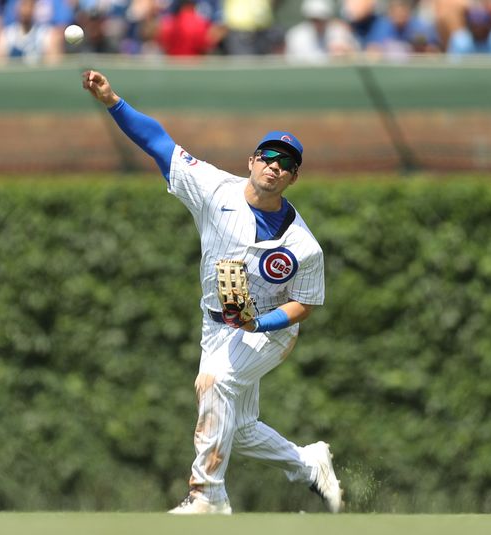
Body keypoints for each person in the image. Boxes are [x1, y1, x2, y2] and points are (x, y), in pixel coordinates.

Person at [81, 70, 343, 515]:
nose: (274, 166)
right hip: (216, 324)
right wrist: (112, 101)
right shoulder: (213, 189)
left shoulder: (303, 245)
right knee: (236, 427)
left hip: (268, 330)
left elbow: (306, 304)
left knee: (215, 382)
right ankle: (307, 464)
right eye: (268, 157)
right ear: (251, 161)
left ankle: (207, 495)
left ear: (292, 178)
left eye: (285, 164)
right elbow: (158, 141)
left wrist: (260, 322)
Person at [284, 0, 360, 63]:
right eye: (313, 19)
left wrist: (347, 53)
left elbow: (358, 56)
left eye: (320, 19)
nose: (317, 23)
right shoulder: (295, 36)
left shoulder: (340, 32)